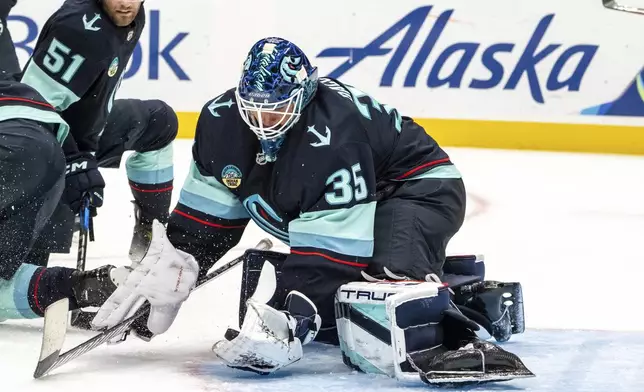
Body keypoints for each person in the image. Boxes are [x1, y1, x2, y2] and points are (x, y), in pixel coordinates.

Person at [119, 36, 529, 384]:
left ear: (304, 95)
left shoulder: (333, 136)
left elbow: (329, 255)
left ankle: (469, 321)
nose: (264, 119)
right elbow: (205, 222)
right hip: (344, 197)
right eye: (254, 106)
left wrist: (285, 319)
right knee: (344, 317)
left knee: (383, 287)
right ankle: (454, 280)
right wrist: (175, 268)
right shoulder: (219, 119)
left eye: (276, 108)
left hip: (413, 190)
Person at [13, 0, 177, 266]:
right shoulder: (78, 29)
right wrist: (73, 161)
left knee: (160, 121)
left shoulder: (130, 15)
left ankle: (151, 237)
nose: (125, 3)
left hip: (86, 133)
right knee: (28, 273)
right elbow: (30, 111)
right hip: (35, 147)